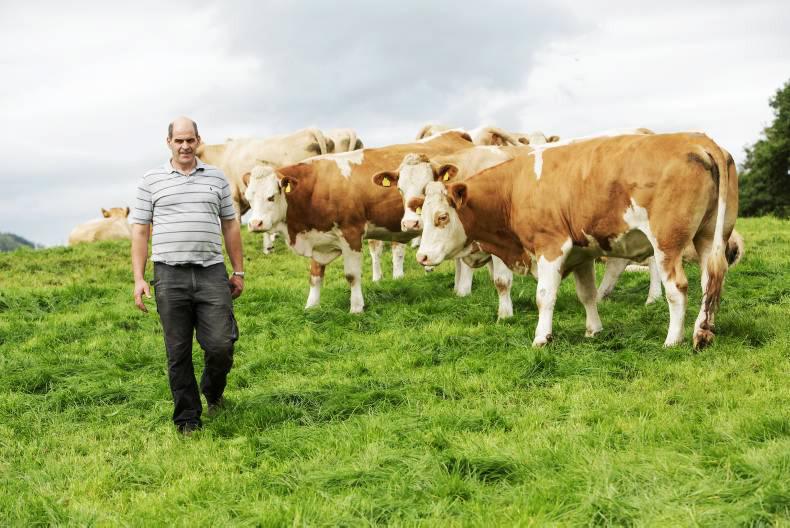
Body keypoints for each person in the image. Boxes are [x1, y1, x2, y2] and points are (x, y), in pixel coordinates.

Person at [130, 116, 244, 435]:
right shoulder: (151, 180)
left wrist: (239, 271)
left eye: (189, 140)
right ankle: (188, 418)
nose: (184, 145)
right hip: (169, 274)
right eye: (178, 140)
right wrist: (139, 279)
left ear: (198, 141)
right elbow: (140, 231)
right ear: (169, 142)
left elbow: (231, 225)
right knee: (177, 350)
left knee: (221, 344)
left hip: (211, 272)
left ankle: (212, 389)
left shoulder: (217, 178)